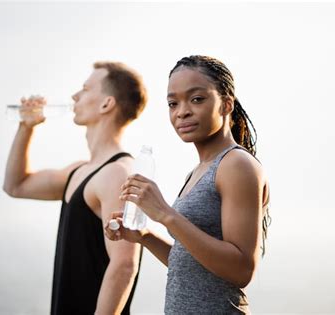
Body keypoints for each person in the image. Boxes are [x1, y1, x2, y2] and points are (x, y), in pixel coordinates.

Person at [105, 55, 271, 314]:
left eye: (197, 99)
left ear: (226, 104)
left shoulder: (237, 165)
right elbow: (193, 263)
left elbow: (240, 270)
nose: (182, 111)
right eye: (173, 103)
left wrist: (165, 214)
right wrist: (145, 237)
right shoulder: (198, 171)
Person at [3, 61, 147, 315]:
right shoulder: (80, 171)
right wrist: (25, 127)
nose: (74, 96)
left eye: (85, 88)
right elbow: (16, 185)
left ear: (106, 104)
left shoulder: (118, 173)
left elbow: (124, 264)